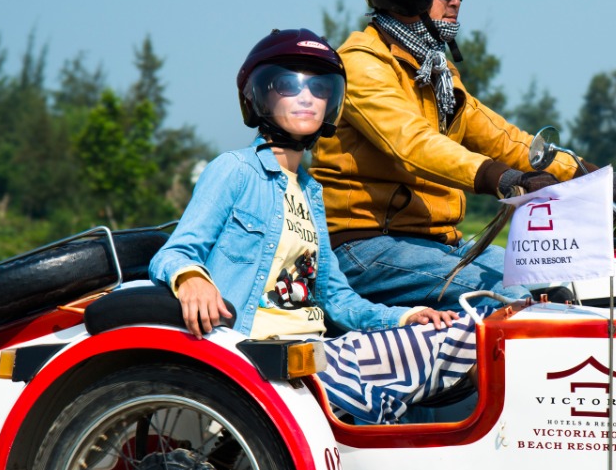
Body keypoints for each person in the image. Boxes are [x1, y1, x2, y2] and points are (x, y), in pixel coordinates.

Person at [311, 0, 616, 307]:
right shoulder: (361, 65)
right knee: (511, 299)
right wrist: (503, 179)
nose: (457, 1)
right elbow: (414, 145)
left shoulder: (435, 72)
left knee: (561, 283)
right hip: (367, 246)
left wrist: (594, 177)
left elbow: (503, 138)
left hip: (436, 241)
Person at [148, 29, 477, 425]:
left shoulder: (310, 192)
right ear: (261, 96)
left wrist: (403, 318)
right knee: (451, 347)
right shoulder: (234, 170)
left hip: (313, 351)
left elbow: (337, 299)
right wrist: (191, 279)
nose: (306, 97)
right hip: (258, 357)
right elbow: (175, 252)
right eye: (289, 85)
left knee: (464, 332)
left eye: (319, 88)